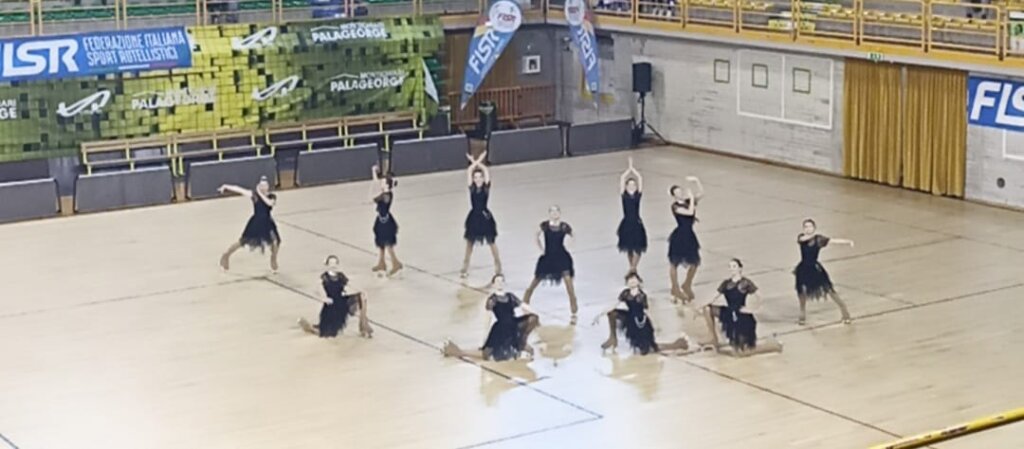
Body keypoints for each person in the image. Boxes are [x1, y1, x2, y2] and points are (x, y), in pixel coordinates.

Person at [442, 274, 541, 361]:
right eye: (497, 281)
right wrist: (483, 339)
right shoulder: (492, 299)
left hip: (513, 324)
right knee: (487, 354)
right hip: (501, 329)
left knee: (533, 318)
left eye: (502, 281)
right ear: (494, 284)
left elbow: (524, 306)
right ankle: (457, 351)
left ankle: (521, 343)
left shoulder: (510, 296)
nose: (500, 283)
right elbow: (487, 319)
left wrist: (535, 313)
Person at [594, 272, 690, 355]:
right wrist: (601, 314)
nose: (632, 281)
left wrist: (656, 324)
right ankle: (612, 338)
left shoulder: (642, 295)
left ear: (639, 281)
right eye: (630, 280)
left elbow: (648, 310)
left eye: (634, 279)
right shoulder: (625, 293)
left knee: (648, 349)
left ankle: (676, 345)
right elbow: (615, 304)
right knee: (612, 313)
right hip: (630, 317)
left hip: (640, 322)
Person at [702, 259, 782, 357]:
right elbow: (713, 298)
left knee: (740, 353)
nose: (732, 269)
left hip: (742, 316)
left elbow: (760, 297)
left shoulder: (746, 283)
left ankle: (772, 346)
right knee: (707, 309)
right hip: (729, 312)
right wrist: (700, 306)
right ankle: (713, 338)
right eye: (730, 266)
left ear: (740, 268)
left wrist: (751, 309)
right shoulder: (726, 283)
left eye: (734, 266)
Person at [522, 206, 579, 321]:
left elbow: (574, 235)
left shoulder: (564, 226)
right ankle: (526, 298)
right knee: (537, 279)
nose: (554, 213)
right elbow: (536, 235)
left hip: (562, 257)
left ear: (560, 213)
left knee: (568, 281)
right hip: (548, 257)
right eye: (552, 212)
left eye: (556, 211)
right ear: (549, 214)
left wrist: (568, 247)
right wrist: (540, 248)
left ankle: (573, 304)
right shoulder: (545, 225)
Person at [298, 255, 373, 338]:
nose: (333, 266)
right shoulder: (324, 277)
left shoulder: (340, 276)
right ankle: (314, 329)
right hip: (331, 305)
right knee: (329, 332)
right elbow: (319, 288)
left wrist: (362, 290)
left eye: (335, 263)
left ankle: (364, 326)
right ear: (327, 265)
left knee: (361, 297)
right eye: (331, 263)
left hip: (342, 303)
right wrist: (324, 297)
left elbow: (350, 284)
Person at [795, 219, 853, 325]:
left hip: (815, 269)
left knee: (830, 291)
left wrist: (847, 242)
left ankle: (845, 312)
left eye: (810, 226)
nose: (808, 229)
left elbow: (833, 241)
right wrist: (814, 236)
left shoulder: (819, 239)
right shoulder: (801, 237)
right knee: (801, 292)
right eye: (806, 227)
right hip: (803, 269)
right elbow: (803, 239)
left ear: (814, 228)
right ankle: (802, 314)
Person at [218, 176, 280, 272]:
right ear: (259, 186)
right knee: (242, 242)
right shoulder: (254, 196)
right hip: (256, 222)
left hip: (268, 223)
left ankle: (273, 258)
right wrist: (226, 186)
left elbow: (269, 203)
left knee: (275, 242)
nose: (263, 188)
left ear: (268, 187)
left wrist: (259, 193)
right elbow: (239, 189)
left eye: (265, 186)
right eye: (261, 186)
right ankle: (226, 255)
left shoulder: (271, 196)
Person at [460, 151, 503, 278]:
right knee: (469, 244)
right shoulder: (472, 188)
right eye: (476, 177)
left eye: (480, 177)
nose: (478, 179)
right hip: (474, 218)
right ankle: (464, 268)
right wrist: (475, 162)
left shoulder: (486, 188)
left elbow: (485, 170)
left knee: (491, 243)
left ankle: (498, 268)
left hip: (485, 217)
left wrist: (478, 161)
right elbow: (469, 171)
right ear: (473, 179)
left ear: (483, 179)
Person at [668, 176, 703, 302]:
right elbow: (690, 212)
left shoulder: (688, 201)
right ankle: (675, 287)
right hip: (680, 235)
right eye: (677, 192)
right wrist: (692, 199)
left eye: (680, 191)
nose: (680, 193)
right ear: (673, 196)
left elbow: (701, 193)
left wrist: (696, 181)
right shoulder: (675, 206)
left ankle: (687, 284)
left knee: (694, 263)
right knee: (674, 263)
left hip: (690, 236)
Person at [369, 164, 403, 276]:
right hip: (381, 219)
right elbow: (377, 187)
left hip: (386, 221)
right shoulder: (384, 194)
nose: (381, 183)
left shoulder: (386, 195)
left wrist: (374, 174)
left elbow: (375, 195)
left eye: (383, 182)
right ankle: (382, 262)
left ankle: (395, 262)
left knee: (387, 242)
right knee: (381, 242)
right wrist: (375, 174)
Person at [617, 157, 647, 272]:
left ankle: (633, 268)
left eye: (634, 185)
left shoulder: (638, 195)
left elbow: (640, 179)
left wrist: (633, 169)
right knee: (629, 248)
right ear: (626, 186)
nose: (632, 186)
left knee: (638, 248)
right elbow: (622, 178)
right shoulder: (624, 195)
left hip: (637, 222)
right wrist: (628, 169)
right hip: (626, 223)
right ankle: (632, 268)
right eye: (630, 184)